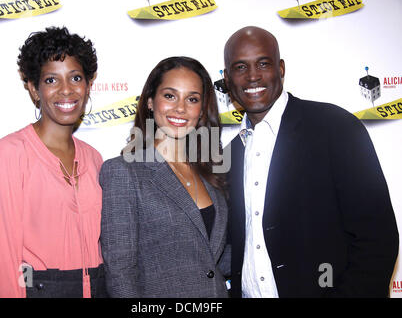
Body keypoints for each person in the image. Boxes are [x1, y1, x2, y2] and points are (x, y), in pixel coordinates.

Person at [223, 26, 399, 298]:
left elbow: (377, 239)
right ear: (227, 78)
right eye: (240, 67)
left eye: (263, 63)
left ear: (281, 68)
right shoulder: (229, 154)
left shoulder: (335, 127)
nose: (253, 76)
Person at [0, 26, 106, 298]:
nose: (66, 90)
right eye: (51, 80)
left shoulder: (94, 158)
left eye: (76, 77)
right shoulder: (10, 152)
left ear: (88, 85)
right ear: (34, 89)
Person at [100, 56, 230, 297]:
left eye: (192, 99)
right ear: (150, 101)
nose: (180, 108)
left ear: (202, 111)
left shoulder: (211, 172)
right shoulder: (124, 171)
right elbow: (120, 274)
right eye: (170, 96)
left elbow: (214, 258)